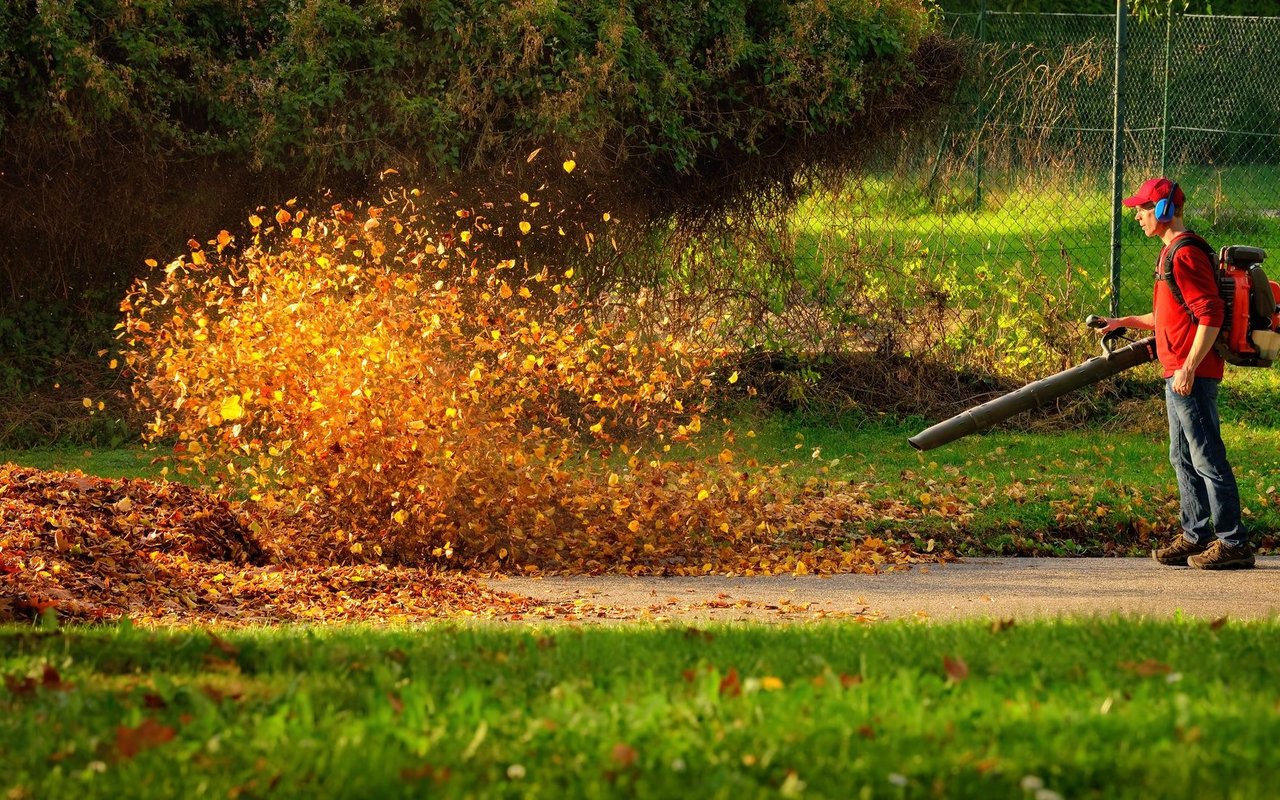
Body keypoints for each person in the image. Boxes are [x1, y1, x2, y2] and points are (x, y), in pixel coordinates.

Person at [1094, 177, 1253, 569]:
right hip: (1178, 372)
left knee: (1206, 457)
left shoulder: (1184, 255)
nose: (1137, 216)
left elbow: (1210, 313)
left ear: (1164, 210)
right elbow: (1170, 314)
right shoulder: (1170, 255)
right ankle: (1196, 535)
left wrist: (1188, 366)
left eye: (1144, 209)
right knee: (1181, 456)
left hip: (1191, 374)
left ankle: (1233, 542)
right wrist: (1122, 321)